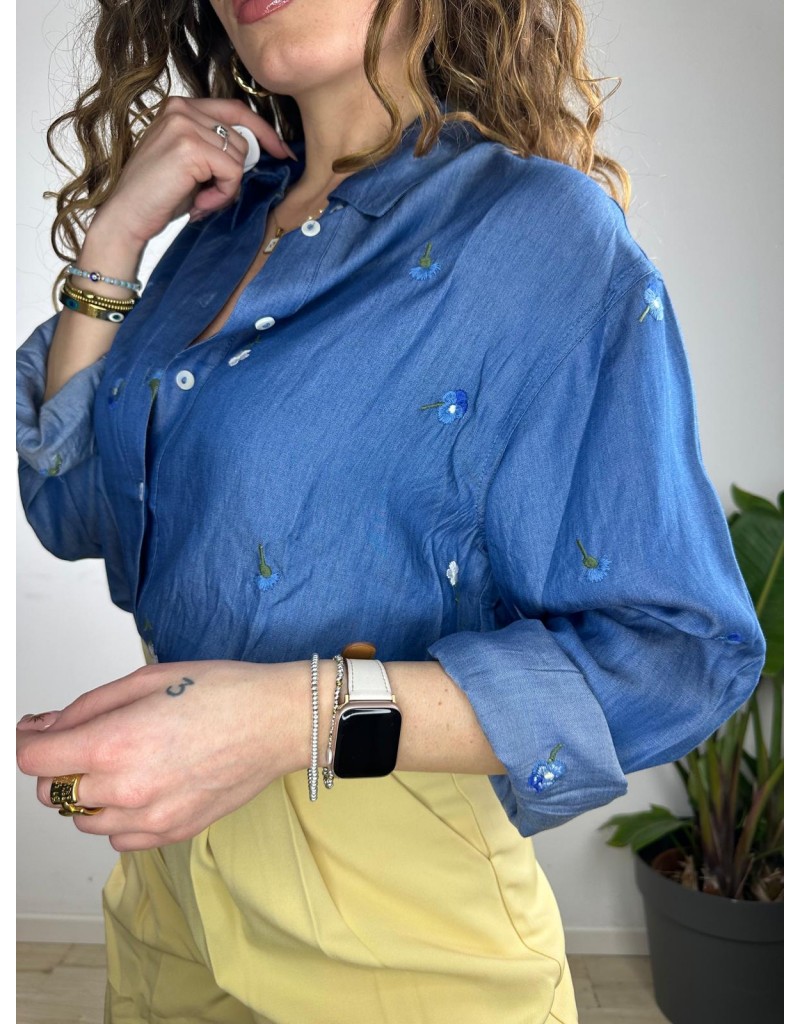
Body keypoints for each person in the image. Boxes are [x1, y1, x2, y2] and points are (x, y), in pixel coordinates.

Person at [16, 1, 765, 1021]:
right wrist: (113, 243)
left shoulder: (538, 235)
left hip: (398, 932)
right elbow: (72, 509)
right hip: (166, 899)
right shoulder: (215, 230)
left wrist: (284, 720)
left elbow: (678, 651)